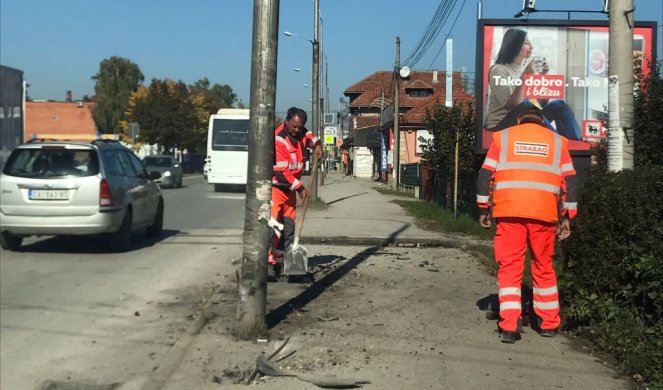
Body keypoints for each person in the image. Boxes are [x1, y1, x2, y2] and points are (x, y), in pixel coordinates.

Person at [476, 106, 578, 343]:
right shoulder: (558, 142)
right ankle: (548, 323)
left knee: (510, 268)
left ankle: (510, 325)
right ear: (541, 120)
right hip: (543, 215)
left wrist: (483, 209)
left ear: (520, 119)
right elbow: (570, 180)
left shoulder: (502, 138)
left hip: (509, 213)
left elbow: (485, 175)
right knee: (543, 266)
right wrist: (567, 216)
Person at [484, 28, 582, 141]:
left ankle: (574, 144)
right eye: (526, 43)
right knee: (527, 106)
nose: (531, 47)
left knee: (559, 105)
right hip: (500, 125)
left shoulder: (527, 69)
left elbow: (542, 103)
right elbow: (513, 104)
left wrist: (543, 76)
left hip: (524, 117)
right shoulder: (499, 69)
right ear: (514, 45)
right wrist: (525, 75)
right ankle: (558, 142)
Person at [268, 107, 323, 279]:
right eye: (294, 126)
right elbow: (280, 172)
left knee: (289, 228)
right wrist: (300, 188)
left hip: (289, 192)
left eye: (300, 127)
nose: (297, 130)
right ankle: (270, 265)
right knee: (275, 229)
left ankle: (287, 263)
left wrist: (317, 145)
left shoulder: (300, 133)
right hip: (277, 190)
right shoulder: (279, 140)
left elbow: (309, 135)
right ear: (287, 121)